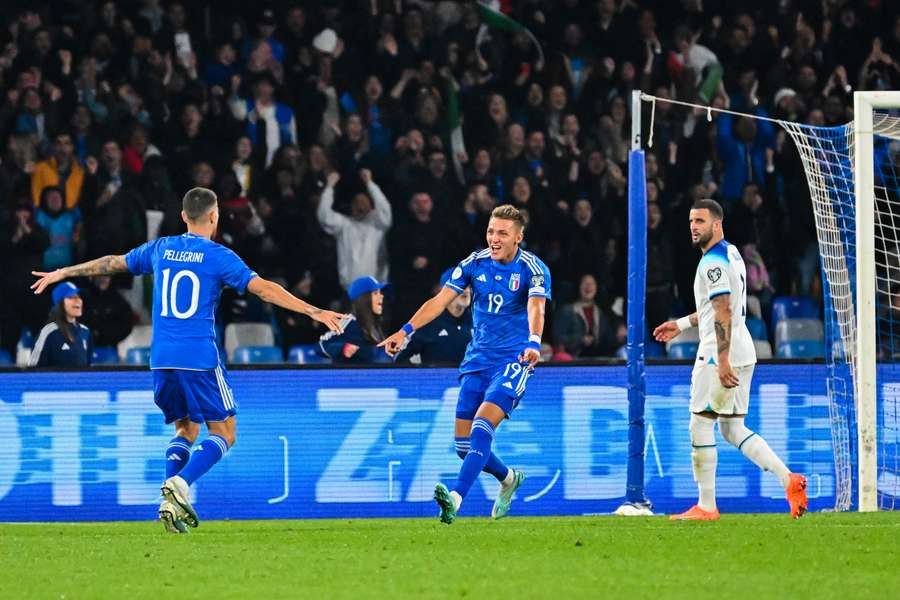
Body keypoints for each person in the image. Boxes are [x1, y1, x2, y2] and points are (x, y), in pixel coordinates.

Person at [31, 187, 344, 534]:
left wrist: (64, 272)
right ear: (214, 216)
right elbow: (264, 288)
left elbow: (113, 263)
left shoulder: (161, 248)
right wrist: (313, 310)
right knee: (225, 432)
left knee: (186, 428)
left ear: (183, 216)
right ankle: (181, 484)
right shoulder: (219, 256)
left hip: (161, 358)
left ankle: (169, 503)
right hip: (198, 356)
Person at [380, 204, 552, 524]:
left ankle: (456, 498)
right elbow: (439, 302)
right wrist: (404, 331)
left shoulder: (533, 268)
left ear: (519, 237)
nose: (494, 238)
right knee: (464, 446)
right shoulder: (474, 263)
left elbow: (536, 307)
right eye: (490, 231)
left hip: (513, 361)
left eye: (502, 233)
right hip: (476, 361)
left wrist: (533, 342)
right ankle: (509, 478)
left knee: (482, 426)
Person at [652, 199, 807, 521]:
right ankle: (788, 479)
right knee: (732, 427)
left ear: (717, 224)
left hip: (720, 352)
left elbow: (722, 309)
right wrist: (681, 325)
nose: (694, 227)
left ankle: (706, 506)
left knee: (700, 424)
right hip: (743, 347)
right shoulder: (732, 253)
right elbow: (718, 307)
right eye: (691, 221)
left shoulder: (712, 262)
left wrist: (721, 360)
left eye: (700, 221)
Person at [397, 269, 472, 365]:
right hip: (437, 379)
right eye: (460, 285)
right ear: (443, 292)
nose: (466, 290)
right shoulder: (426, 322)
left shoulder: (482, 321)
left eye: (469, 285)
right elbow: (399, 358)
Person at [318, 276, 392, 364]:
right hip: (348, 376)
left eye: (380, 292)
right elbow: (322, 345)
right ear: (364, 299)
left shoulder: (375, 325)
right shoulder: (349, 321)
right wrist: (343, 348)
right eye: (376, 293)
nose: (381, 296)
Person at [29, 282, 93, 367]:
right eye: (71, 297)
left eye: (78, 296)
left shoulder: (86, 331)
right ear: (60, 303)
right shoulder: (48, 332)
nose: (78, 300)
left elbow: (88, 369)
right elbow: (34, 369)